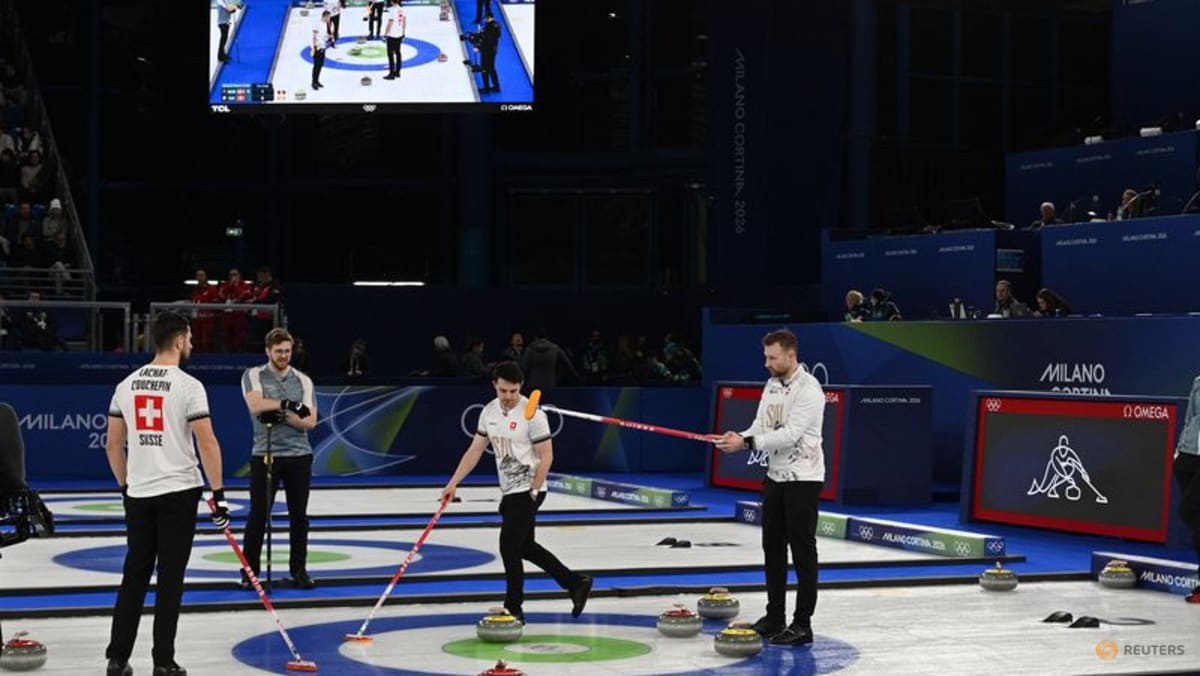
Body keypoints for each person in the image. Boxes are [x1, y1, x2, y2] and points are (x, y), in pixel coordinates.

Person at [104, 311, 228, 676]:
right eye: (189, 339)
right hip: (178, 491)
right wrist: (218, 494)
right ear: (177, 341)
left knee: (134, 574)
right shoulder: (189, 386)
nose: (191, 345)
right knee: (170, 578)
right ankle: (163, 661)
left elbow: (113, 445)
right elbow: (207, 444)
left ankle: (117, 657)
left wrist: (127, 486)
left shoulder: (125, 385)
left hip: (139, 494)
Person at [441, 361, 592, 624]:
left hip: (530, 488)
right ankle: (575, 582)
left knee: (508, 546)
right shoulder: (488, 412)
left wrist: (534, 491)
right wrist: (453, 483)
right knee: (526, 547)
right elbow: (475, 450)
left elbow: (547, 456)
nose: (508, 397)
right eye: (503, 391)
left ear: (521, 386)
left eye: (513, 391)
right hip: (509, 491)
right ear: (495, 386)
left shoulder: (533, 414)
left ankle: (514, 608)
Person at [714, 329, 825, 646]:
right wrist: (737, 438)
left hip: (803, 478)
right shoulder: (772, 385)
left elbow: (789, 434)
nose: (767, 363)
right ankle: (775, 615)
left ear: (790, 356)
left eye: (772, 357)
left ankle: (802, 623)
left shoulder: (810, 390)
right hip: (775, 477)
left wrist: (747, 442)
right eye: (766, 357)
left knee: (803, 551)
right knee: (772, 548)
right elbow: (761, 426)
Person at [240, 328, 317, 590]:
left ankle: (299, 570)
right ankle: (249, 573)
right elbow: (256, 406)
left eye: (287, 351)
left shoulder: (304, 381)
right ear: (268, 351)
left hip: (299, 456)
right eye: (278, 351)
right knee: (259, 515)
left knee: (299, 517)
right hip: (265, 454)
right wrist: (291, 406)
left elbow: (310, 421)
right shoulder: (254, 375)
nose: (284, 356)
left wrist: (282, 414)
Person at [1173, 376, 1200, 604]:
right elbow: (1190, 417)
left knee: (1188, 510)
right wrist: (1179, 450)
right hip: (1188, 455)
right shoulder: (1198, 381)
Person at [189, 269, 220, 353]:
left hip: (207, 322)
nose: (200, 277)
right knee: (196, 341)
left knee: (206, 342)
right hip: (196, 320)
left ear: (206, 277)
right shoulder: (195, 290)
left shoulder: (212, 289)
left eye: (202, 275)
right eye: (198, 275)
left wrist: (208, 314)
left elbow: (215, 306)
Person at [383, 0, 406, 81]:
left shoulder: (392, 10)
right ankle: (398, 72)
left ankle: (391, 73)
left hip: (392, 35)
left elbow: (390, 23)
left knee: (390, 54)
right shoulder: (402, 9)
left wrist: (385, 34)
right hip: (399, 34)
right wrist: (403, 32)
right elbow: (404, 21)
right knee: (398, 53)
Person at [479, 15, 501, 94]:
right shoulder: (496, 25)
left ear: (490, 18)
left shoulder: (489, 27)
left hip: (487, 50)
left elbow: (487, 40)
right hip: (492, 50)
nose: (485, 20)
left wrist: (479, 47)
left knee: (485, 68)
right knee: (491, 68)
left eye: (486, 18)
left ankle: (487, 88)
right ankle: (496, 87)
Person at [311, 10, 332, 90]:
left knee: (320, 65)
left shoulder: (325, 24)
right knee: (316, 65)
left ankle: (317, 80)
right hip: (318, 47)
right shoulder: (317, 24)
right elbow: (314, 36)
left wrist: (328, 37)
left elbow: (323, 35)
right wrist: (314, 46)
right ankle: (313, 82)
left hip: (323, 47)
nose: (329, 19)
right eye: (329, 17)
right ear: (325, 16)